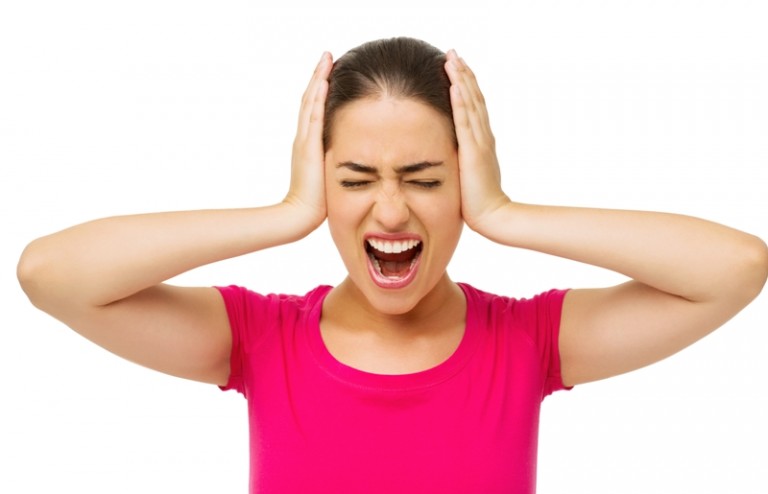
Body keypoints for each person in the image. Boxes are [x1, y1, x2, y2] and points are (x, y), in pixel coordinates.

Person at [16, 37, 768, 493]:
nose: (391, 212)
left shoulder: (529, 341)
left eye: (425, 179)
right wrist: (285, 213)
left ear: (465, 180)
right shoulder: (259, 338)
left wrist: (506, 214)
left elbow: (735, 267)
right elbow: (51, 274)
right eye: (355, 180)